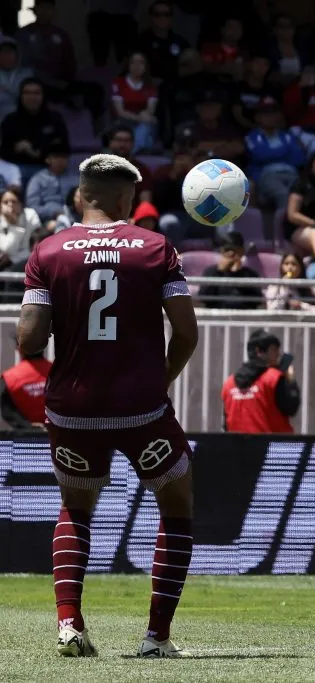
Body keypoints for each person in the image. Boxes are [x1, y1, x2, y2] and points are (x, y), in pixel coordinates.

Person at [16, 153, 199, 657]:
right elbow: (185, 332)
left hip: (72, 408)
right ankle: (156, 638)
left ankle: (70, 624)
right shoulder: (155, 247)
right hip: (142, 406)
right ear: (129, 199)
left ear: (80, 196)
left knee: (76, 508)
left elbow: (29, 341)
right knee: (177, 505)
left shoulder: (48, 252)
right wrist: (159, 380)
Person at [222, 330, 300, 433]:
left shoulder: (229, 384)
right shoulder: (274, 378)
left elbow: (226, 425)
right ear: (259, 352)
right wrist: (291, 379)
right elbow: (291, 407)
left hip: (237, 447)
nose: (278, 354)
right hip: (272, 447)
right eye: (274, 350)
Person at [0, 345, 51, 429]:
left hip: (25, 438)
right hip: (57, 437)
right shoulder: (57, 372)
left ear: (19, 349)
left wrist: (28, 426)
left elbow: (8, 412)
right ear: (43, 346)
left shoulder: (9, 378)